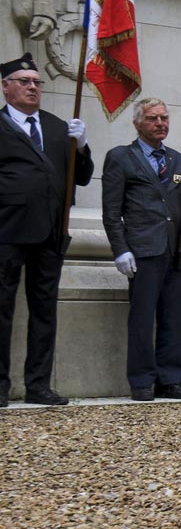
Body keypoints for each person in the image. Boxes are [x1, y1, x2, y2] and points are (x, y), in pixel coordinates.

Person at [0, 54, 91, 405]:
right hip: (7, 232)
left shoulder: (56, 128)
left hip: (50, 233)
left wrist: (81, 148)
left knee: (44, 311)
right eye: (24, 81)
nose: (33, 87)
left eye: (37, 82)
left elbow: (80, 177)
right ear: (7, 88)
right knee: (2, 309)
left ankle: (38, 384)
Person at [102, 98, 181, 401]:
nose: (160, 123)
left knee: (175, 318)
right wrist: (120, 249)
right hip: (144, 249)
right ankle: (142, 380)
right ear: (137, 123)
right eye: (152, 118)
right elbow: (111, 210)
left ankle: (170, 380)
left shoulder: (176, 158)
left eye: (164, 118)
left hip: (178, 248)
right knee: (143, 319)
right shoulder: (121, 157)